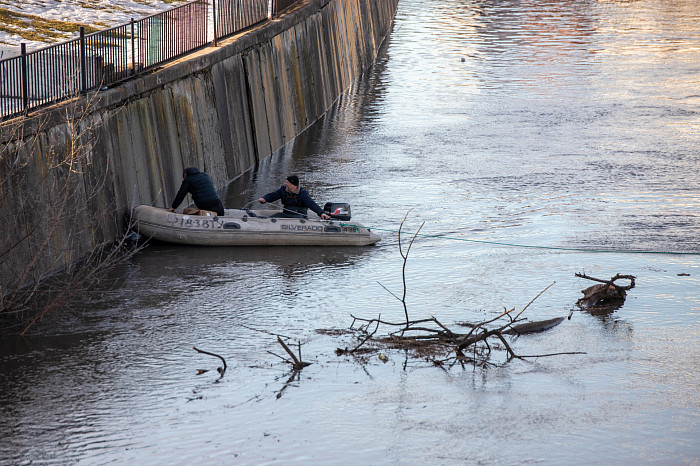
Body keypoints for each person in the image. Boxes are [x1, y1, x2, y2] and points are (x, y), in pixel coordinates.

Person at [258, 175, 330, 219]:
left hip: (298, 215)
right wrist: (264, 199)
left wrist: (321, 213)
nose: (285, 184)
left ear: (293, 185)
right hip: (286, 213)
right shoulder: (283, 190)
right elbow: (273, 195)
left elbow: (311, 204)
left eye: (287, 183)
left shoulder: (303, 194)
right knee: (273, 217)